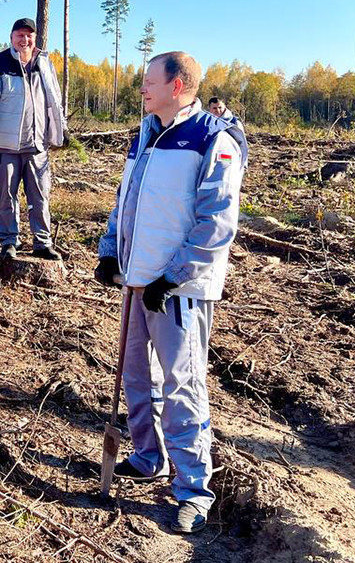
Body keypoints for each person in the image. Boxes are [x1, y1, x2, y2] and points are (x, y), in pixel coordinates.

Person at [93, 51, 246, 535]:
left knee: (183, 386)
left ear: (177, 85)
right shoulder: (146, 135)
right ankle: (147, 455)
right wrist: (109, 252)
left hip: (178, 289)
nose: (141, 87)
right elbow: (128, 201)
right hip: (137, 280)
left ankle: (193, 490)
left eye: (148, 80)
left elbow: (217, 220)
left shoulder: (211, 138)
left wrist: (172, 277)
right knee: (137, 375)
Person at [0, 17, 65, 260]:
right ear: (11, 38)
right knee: (6, 196)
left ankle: (42, 243)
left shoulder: (43, 62)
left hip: (36, 145)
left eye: (29, 36)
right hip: (6, 144)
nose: (24, 40)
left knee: (40, 195)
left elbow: (54, 100)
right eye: (19, 35)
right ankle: (9, 242)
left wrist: (59, 130)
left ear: (35, 38)